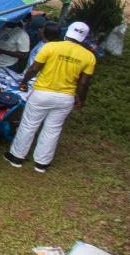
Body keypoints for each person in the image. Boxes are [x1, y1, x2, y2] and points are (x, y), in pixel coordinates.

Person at [6, 21, 95, 172]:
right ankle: (42, 164)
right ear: (84, 38)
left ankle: (16, 158)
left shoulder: (50, 47)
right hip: (66, 97)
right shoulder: (89, 57)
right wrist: (80, 99)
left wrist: (24, 82)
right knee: (53, 129)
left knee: (28, 125)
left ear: (67, 33)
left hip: (42, 93)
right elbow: (84, 83)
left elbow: (34, 68)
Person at [0, 19, 31, 90]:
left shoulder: (22, 34)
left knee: (0, 89)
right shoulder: (0, 28)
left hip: (7, 67)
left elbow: (24, 55)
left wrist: (2, 51)